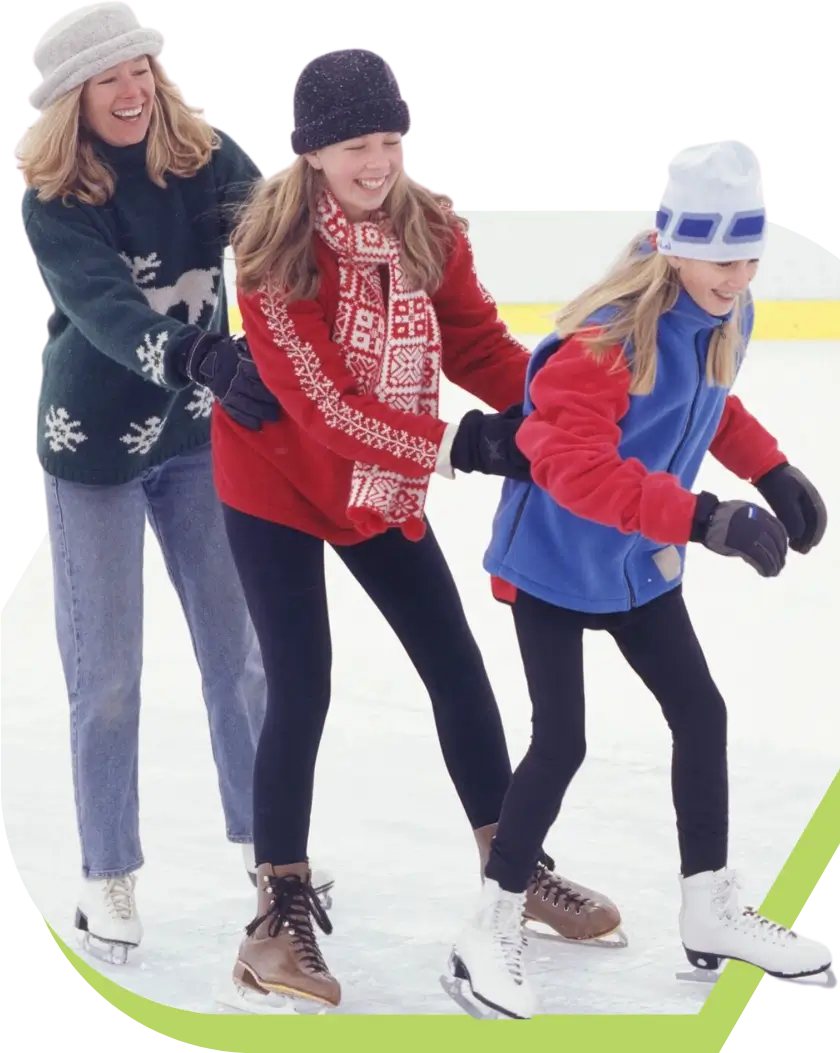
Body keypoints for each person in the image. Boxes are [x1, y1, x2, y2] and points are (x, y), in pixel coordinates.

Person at [212, 47, 624, 1013]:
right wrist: (465, 443)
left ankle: (510, 869)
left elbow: (476, 339)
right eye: (357, 144)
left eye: (392, 139)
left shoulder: (426, 225)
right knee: (301, 680)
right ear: (312, 151)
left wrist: (554, 407)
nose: (377, 162)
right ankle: (277, 914)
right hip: (274, 477)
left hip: (378, 487)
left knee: (453, 663)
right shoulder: (272, 252)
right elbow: (322, 403)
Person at [443, 140, 834, 1019]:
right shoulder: (604, 345)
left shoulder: (727, 314)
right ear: (673, 247)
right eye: (723, 258)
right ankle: (494, 917)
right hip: (554, 563)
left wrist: (771, 471)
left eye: (751, 256)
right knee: (563, 739)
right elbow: (572, 471)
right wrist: (706, 517)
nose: (739, 276)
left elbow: (711, 401)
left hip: (639, 567)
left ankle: (709, 905)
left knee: (701, 712)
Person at [20, 1, 333, 966]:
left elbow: (278, 222)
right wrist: (199, 354)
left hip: (200, 441)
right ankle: (107, 869)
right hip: (95, 453)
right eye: (111, 79)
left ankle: (267, 856)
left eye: (143, 72)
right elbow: (107, 310)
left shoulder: (201, 154)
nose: (133, 91)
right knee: (107, 679)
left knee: (238, 662)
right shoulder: (53, 196)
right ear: (73, 100)